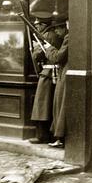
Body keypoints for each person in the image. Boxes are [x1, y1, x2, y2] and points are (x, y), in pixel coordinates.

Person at [29, 12, 63, 144]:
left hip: (48, 73)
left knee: (42, 105)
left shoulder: (47, 36)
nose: (36, 27)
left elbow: (36, 56)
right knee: (49, 105)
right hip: (54, 73)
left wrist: (34, 49)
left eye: (38, 25)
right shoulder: (54, 35)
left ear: (43, 25)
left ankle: (42, 136)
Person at [43, 20, 69, 148]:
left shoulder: (69, 37)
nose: (57, 32)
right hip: (65, 73)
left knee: (60, 105)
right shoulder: (68, 37)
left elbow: (57, 57)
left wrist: (48, 48)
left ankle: (60, 138)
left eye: (58, 29)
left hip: (65, 75)